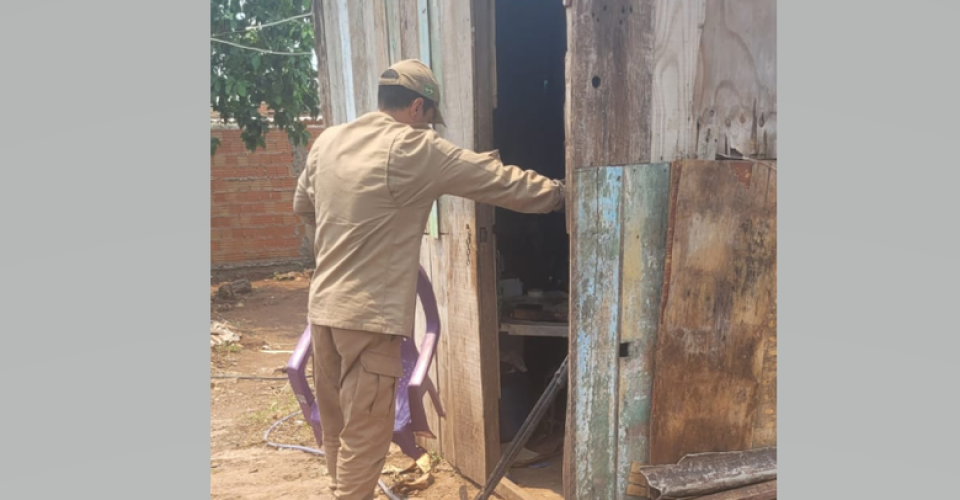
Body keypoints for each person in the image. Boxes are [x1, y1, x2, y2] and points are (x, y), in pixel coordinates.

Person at [293, 59, 564, 500]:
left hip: (323, 310)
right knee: (366, 433)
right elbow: (498, 181)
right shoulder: (414, 147)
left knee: (337, 423)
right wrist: (561, 194)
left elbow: (303, 207)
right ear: (418, 107)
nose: (428, 126)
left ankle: (339, 490)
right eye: (429, 118)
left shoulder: (330, 141)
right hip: (368, 319)